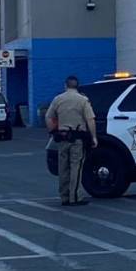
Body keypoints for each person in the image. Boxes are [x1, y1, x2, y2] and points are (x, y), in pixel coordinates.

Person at [45, 75, 97, 206]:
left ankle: (64, 197)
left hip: (62, 137)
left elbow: (48, 117)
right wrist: (93, 137)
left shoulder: (58, 99)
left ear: (65, 85)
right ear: (77, 86)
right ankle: (75, 197)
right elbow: (90, 119)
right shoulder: (83, 100)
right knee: (76, 167)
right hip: (77, 138)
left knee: (63, 168)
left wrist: (52, 132)